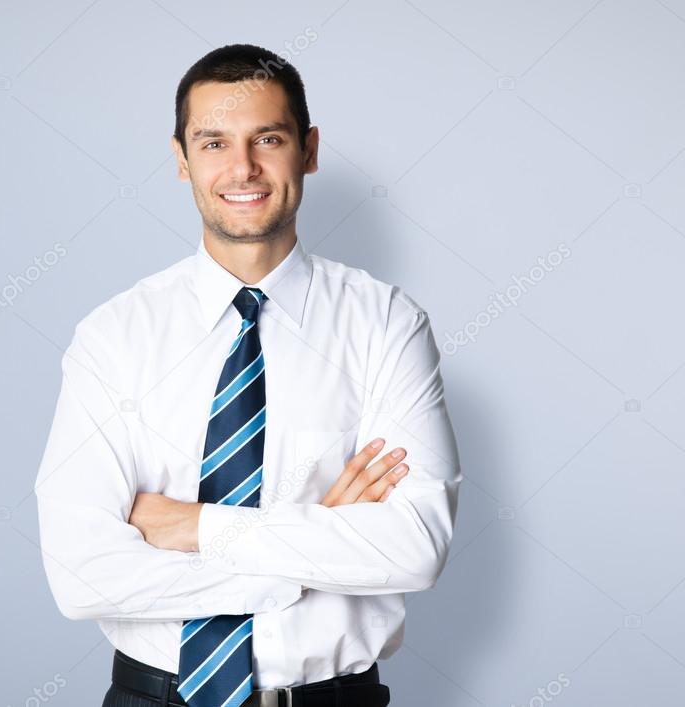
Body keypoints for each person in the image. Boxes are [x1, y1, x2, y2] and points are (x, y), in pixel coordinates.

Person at [34, 43, 462, 707]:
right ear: (180, 159)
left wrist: (196, 527)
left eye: (268, 137)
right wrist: (305, 555)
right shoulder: (113, 336)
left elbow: (413, 548)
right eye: (212, 143)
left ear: (308, 150)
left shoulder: (385, 323)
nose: (242, 167)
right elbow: (80, 574)